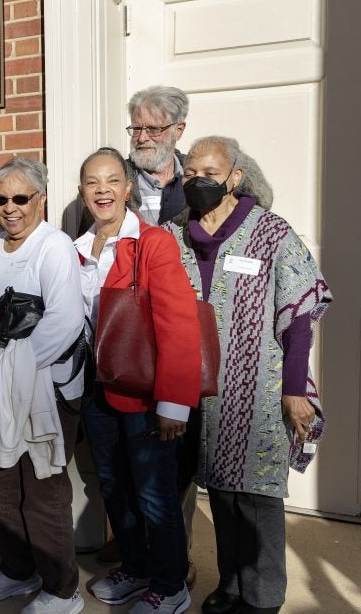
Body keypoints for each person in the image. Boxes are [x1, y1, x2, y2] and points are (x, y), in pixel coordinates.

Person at [163, 137, 331, 614]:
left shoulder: (271, 233)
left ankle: (263, 598)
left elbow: (300, 312)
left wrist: (296, 390)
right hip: (197, 389)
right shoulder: (175, 233)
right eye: (190, 171)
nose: (198, 181)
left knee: (256, 497)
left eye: (210, 173)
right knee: (219, 491)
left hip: (258, 386)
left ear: (235, 177)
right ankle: (232, 585)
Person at [74, 148, 200, 614]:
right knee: (113, 486)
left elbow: (179, 324)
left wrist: (174, 402)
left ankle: (170, 584)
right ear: (83, 191)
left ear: (128, 188)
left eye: (111, 180)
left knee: (153, 491)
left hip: (146, 395)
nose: (102, 189)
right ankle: (135, 567)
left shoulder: (153, 243)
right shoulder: (77, 248)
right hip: (97, 390)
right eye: (92, 182)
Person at [0, 157, 86, 614]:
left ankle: (62, 590)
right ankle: (18, 570)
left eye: (21, 198)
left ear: (41, 199)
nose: (10, 208)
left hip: (44, 390)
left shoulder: (53, 246)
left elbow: (66, 320)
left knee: (42, 491)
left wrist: (14, 367)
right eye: (1, 199)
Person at [126, 85, 190, 226]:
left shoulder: (198, 176)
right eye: (137, 129)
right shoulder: (117, 179)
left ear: (178, 130)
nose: (142, 138)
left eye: (154, 129)